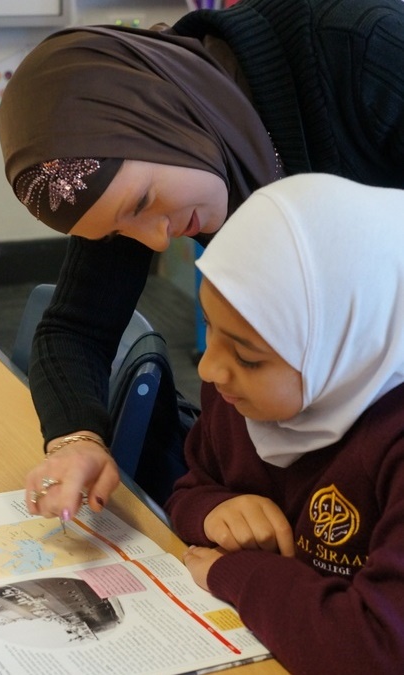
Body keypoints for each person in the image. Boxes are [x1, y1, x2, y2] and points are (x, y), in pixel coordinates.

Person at [0, 0, 404, 522]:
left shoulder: (366, 50)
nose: (158, 240)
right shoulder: (134, 157)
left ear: (160, 116)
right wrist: (75, 440)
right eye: (121, 230)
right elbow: (74, 328)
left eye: (141, 204)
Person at [165, 173, 404, 675]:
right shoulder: (236, 396)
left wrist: (241, 573)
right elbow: (190, 487)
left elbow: (376, 649)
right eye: (210, 328)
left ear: (343, 348)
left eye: (249, 357)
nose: (208, 370)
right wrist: (215, 510)